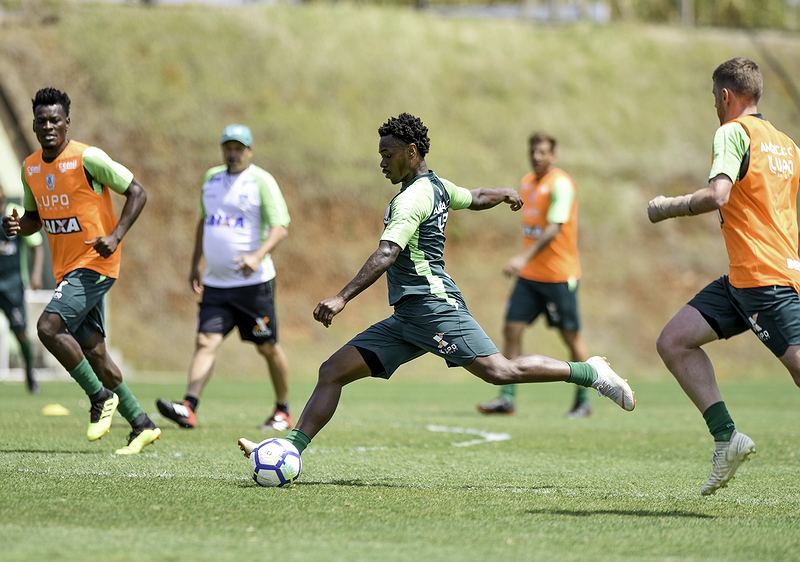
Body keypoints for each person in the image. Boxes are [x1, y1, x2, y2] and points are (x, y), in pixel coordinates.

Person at [238, 113, 635, 466]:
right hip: (408, 317)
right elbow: (474, 197)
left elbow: (386, 253)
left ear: (412, 152)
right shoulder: (437, 187)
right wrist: (503, 194)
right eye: (381, 154)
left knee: (500, 371)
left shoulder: (413, 198)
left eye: (388, 154)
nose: (382, 163)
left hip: (434, 308)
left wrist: (341, 297)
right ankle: (289, 448)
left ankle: (591, 373)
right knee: (332, 371)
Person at [647, 57, 800, 495]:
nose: (714, 104)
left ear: (727, 96)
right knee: (673, 340)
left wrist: (667, 207)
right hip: (746, 278)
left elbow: (718, 194)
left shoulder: (731, 132)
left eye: (715, 97)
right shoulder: (788, 145)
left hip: (763, 280)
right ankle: (727, 438)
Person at [1, 87, 160, 455]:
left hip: (95, 264)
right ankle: (141, 423)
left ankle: (99, 397)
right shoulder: (30, 168)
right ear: (34, 124)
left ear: (67, 122)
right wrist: (17, 226)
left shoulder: (88, 158)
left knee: (47, 327)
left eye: (55, 119)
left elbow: (137, 191)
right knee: (95, 353)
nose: (48, 126)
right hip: (67, 270)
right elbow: (34, 219)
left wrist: (116, 235)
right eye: (41, 121)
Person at [156, 124, 293, 431]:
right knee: (205, 341)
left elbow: (280, 227)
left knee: (267, 347)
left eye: (239, 147)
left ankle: (283, 410)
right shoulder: (211, 179)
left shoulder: (261, 181)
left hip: (253, 285)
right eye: (228, 147)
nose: (233, 153)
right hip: (216, 283)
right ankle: (188, 407)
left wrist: (257, 256)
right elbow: (204, 222)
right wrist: (195, 264)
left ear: (250, 151)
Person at [477, 133, 592, 418]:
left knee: (570, 337)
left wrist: (522, 257)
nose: (537, 156)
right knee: (511, 328)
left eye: (543, 152)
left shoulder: (561, 185)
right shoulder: (527, 183)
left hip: (558, 276)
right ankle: (507, 397)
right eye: (534, 151)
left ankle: (584, 399)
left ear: (553, 155)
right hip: (530, 278)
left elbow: (553, 229)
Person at [0, 182, 44, 393]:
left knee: (20, 333)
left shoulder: (13, 215)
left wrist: (35, 274)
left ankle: (30, 372)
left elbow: (36, 245)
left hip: (12, 285)